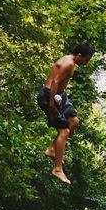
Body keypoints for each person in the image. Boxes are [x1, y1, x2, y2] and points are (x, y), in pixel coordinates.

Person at [37, 42, 93, 184]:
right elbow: (55, 82)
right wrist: (51, 105)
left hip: (60, 95)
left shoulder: (69, 60)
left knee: (74, 121)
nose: (86, 63)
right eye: (86, 59)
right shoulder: (68, 63)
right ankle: (57, 169)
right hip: (49, 95)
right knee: (64, 132)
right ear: (79, 55)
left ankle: (52, 149)